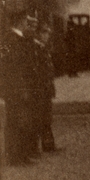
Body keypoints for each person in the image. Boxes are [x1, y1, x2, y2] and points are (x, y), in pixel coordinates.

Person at [0, 12, 40, 165]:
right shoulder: (13, 39)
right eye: (25, 21)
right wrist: (22, 88)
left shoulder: (14, 39)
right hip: (17, 89)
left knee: (20, 121)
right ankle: (16, 157)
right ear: (20, 22)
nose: (27, 24)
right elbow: (14, 68)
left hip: (17, 88)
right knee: (16, 122)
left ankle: (20, 155)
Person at [33, 23, 59, 153]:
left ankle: (49, 145)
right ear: (38, 34)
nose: (47, 35)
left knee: (47, 117)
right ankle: (45, 146)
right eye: (44, 32)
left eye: (48, 33)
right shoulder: (36, 49)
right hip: (41, 89)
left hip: (46, 88)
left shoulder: (43, 48)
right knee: (43, 117)